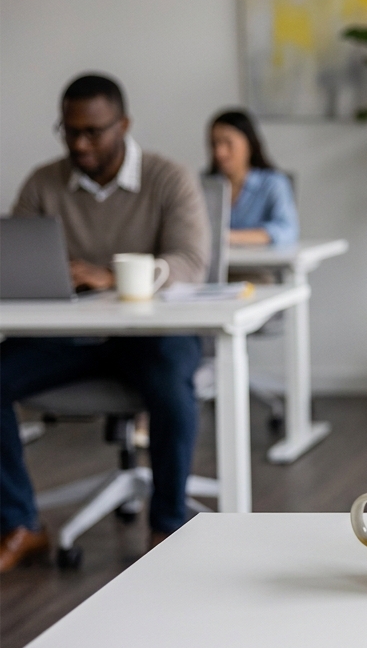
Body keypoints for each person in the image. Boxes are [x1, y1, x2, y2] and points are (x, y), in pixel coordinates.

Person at [0, 74, 209, 570]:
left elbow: (190, 260)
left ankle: (167, 527)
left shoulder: (168, 178)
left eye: (93, 132)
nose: (80, 143)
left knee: (169, 379)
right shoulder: (42, 184)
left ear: (123, 125)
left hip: (155, 334)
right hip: (71, 337)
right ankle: (21, 524)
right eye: (69, 131)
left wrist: (114, 277)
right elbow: (17, 261)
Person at [207, 109, 298, 246]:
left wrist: (231, 237)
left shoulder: (273, 183)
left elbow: (287, 230)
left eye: (228, 143)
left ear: (249, 143)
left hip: (262, 265)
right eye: (215, 144)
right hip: (214, 266)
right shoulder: (205, 185)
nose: (220, 152)